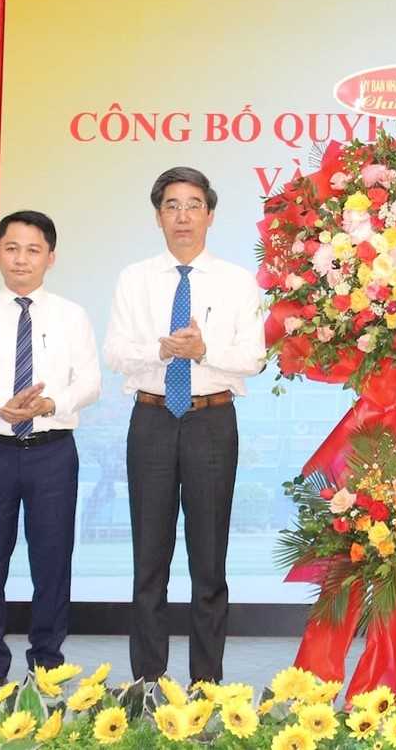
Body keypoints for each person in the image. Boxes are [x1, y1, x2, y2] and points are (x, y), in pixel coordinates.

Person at [102, 166, 264, 683]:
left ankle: (206, 684)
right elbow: (115, 352)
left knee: (209, 559)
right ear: (157, 216)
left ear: (210, 215)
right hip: (150, 419)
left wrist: (203, 350)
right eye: (171, 206)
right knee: (149, 559)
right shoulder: (135, 278)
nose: (183, 216)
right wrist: (161, 348)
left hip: (210, 422)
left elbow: (254, 357)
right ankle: (147, 683)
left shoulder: (237, 281)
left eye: (193, 205)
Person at [0, 210, 100, 697]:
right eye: (12, 248)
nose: (21, 259)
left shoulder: (71, 315)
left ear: (51, 257)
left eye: (33, 250)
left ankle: (47, 663)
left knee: (53, 561)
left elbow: (89, 381)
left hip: (52, 451)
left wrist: (54, 403)